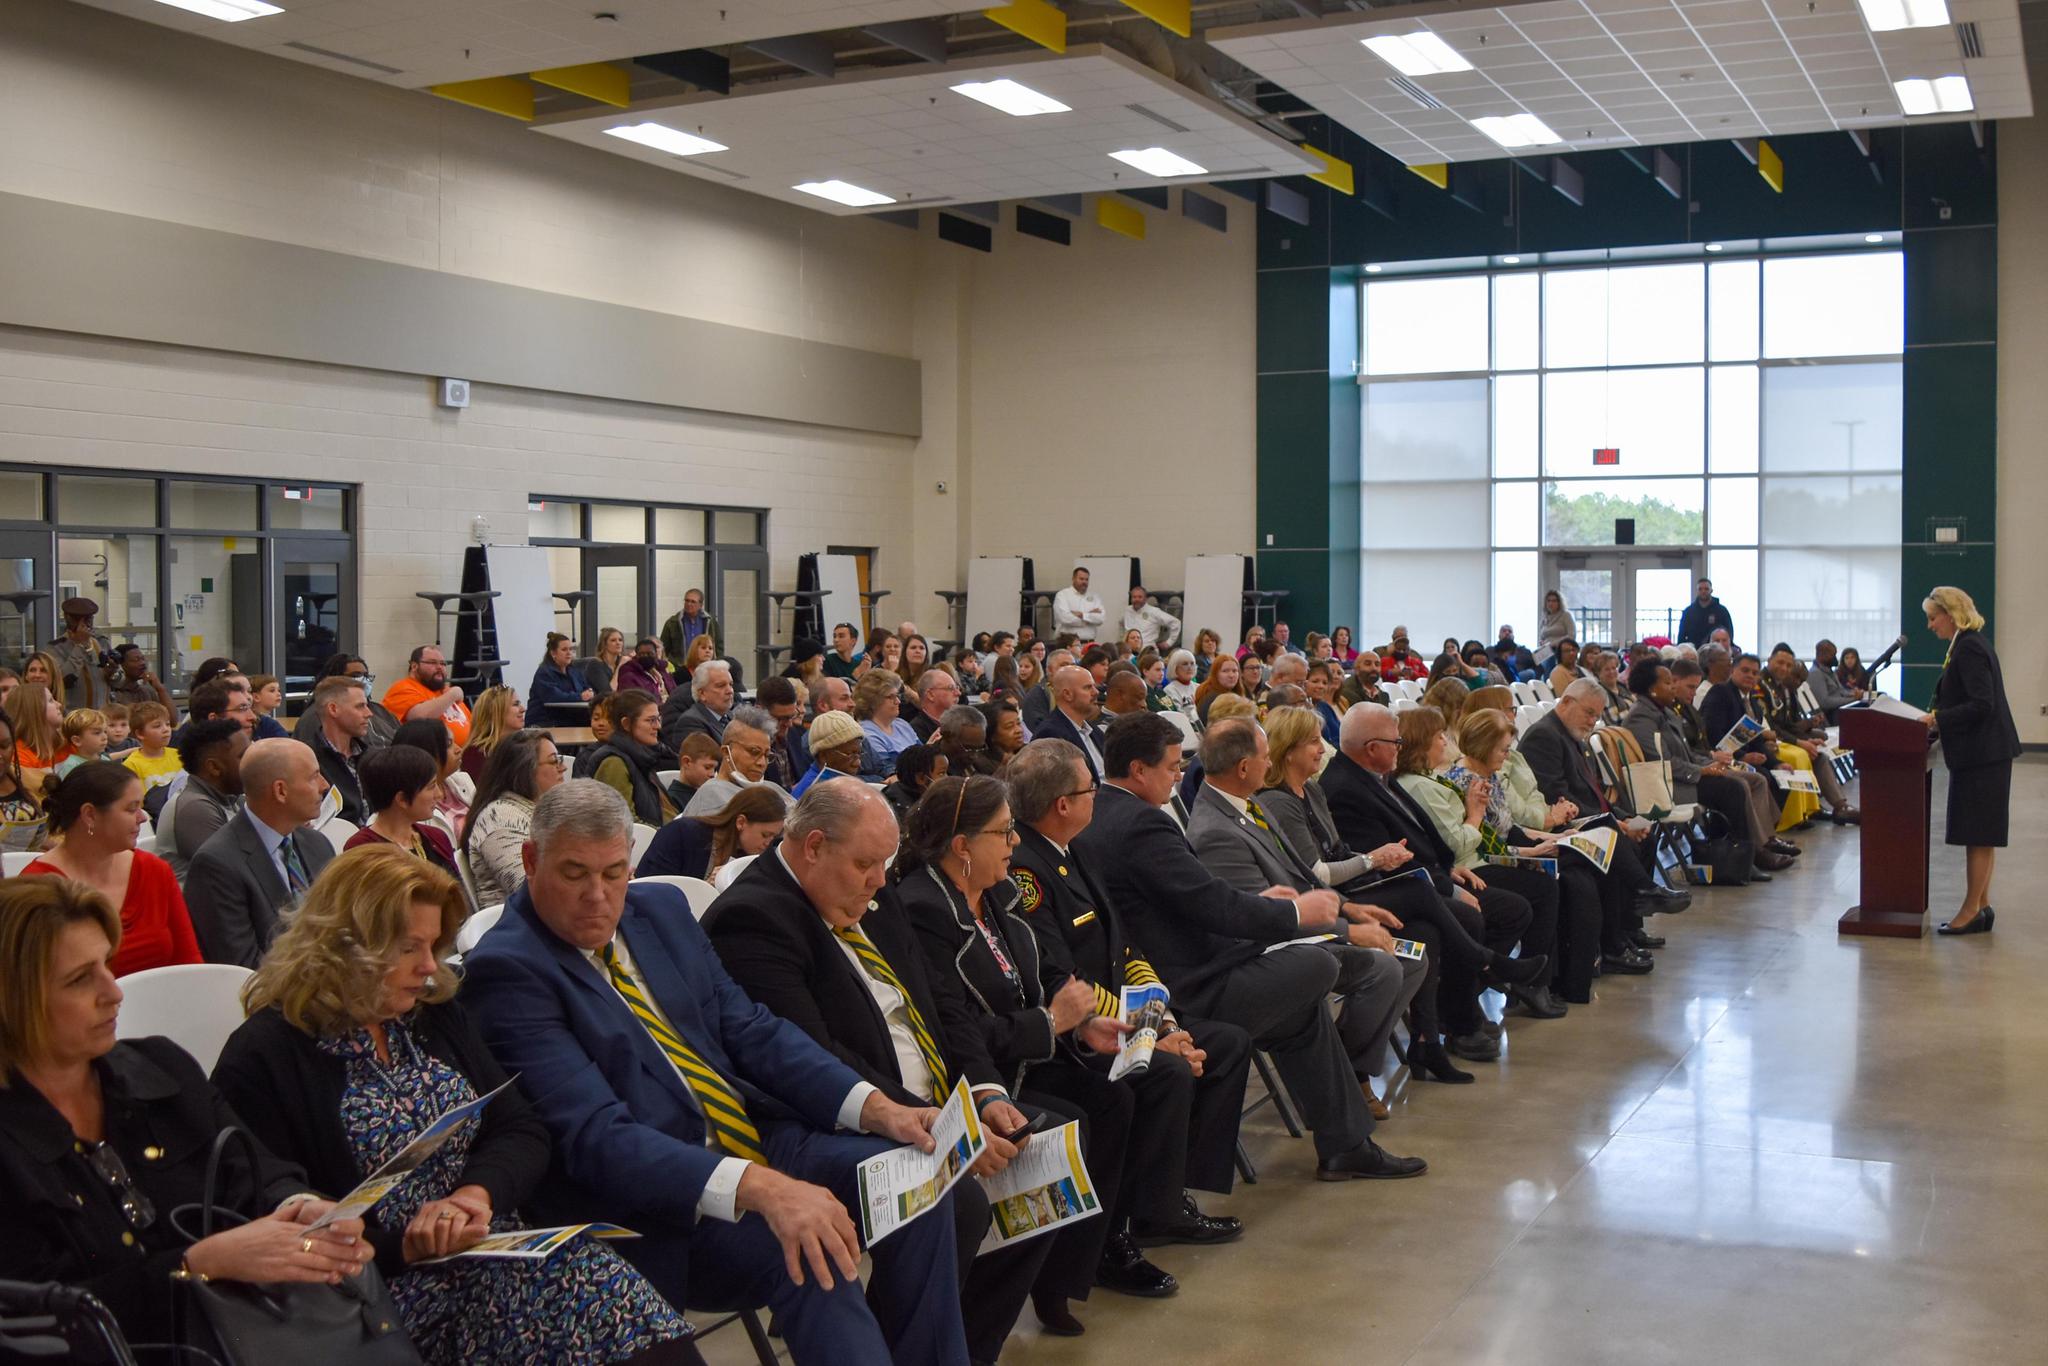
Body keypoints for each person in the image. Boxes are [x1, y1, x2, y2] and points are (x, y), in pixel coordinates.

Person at [460, 780, 971, 1366]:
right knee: (809, 1254)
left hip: (758, 1139)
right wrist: (766, 1189)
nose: (599, 897)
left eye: (614, 873)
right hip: (667, 1200)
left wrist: (878, 1107)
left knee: (920, 1183)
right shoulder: (508, 970)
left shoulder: (661, 911)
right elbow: (599, 1139)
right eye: (575, 874)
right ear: (531, 860)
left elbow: (752, 1030)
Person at [215, 847, 692, 1363]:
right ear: (344, 946)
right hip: (382, 1295)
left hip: (491, 1246)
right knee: (588, 1309)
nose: (427, 967)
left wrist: (476, 1194)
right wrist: (408, 1246)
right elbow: (279, 1218)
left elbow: (520, 1129)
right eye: (408, 948)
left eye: (433, 945)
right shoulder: (265, 1056)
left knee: (619, 1302)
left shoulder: (429, 1013)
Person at [699, 781, 1053, 1359]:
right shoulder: (753, 918)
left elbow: (941, 1002)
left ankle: (962, 1344)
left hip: (932, 1098)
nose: (879, 879)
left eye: (884, 863)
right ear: (813, 846)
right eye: (866, 863)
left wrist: (985, 1092)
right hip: (831, 1120)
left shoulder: (872, 893)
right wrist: (946, 1127)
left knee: (1036, 1156)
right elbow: (817, 1059)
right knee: (954, 1197)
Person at [0, 878, 376, 1352]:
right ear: (11, 1001)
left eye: (106, 966)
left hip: (244, 1336)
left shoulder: (160, 1068)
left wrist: (298, 1208)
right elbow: (35, 1324)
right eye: (79, 979)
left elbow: (258, 1172)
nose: (112, 992)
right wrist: (199, 1263)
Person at [1076, 712, 1426, 1181]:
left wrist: (1261, 904)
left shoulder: (1112, 812)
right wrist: (1294, 914)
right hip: (1187, 984)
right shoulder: (1141, 823)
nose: (1181, 776)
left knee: (1300, 1010)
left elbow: (1193, 896)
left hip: (1178, 963)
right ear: (1138, 770)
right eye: (1172, 767)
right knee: (1316, 965)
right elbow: (1207, 903)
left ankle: (1347, 1144)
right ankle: (1347, 1141)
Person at [897, 774, 1185, 1330]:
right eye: (1003, 833)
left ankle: (1068, 1275)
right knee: (1069, 1121)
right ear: (962, 846)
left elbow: (1041, 977)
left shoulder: (999, 894)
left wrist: (1081, 1028)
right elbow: (956, 1030)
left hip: (1029, 1055)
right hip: (978, 1074)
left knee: (1114, 1098)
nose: (1012, 843)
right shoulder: (925, 910)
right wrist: (1052, 1023)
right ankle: (1004, 1300)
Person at [1003, 740, 1250, 1233]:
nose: (1099, 796)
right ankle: (1148, 1214)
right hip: (1078, 1033)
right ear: (1063, 804)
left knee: (1226, 1044)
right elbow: (1061, 979)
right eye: (1090, 789)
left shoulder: (1075, 849)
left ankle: (1172, 1188)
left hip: (1126, 1011)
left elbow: (1128, 950)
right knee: (1169, 1071)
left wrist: (1164, 1021)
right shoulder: (1027, 871)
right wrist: (1149, 1034)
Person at [1186, 719, 1434, 1095]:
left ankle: (1349, 1067)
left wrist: (1351, 909)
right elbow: (1263, 921)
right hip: (1279, 947)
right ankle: (1344, 1080)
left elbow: (1304, 875)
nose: (1268, 766)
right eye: (1264, 758)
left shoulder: (1250, 805)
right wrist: (1348, 931)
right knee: (1385, 966)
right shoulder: (1216, 831)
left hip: (1310, 924)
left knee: (1414, 957)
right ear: (1243, 768)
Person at [23, 762, 198, 976]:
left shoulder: (154, 870)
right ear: (90, 815)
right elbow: (32, 986)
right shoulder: (39, 887)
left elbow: (190, 962)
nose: (142, 817)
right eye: (131, 808)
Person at [1623, 659, 1791, 876]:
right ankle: (1744, 860)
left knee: (1752, 778)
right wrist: (1702, 771)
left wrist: (1710, 764)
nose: (1672, 687)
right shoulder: (1641, 717)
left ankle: (1758, 847)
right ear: (1651, 688)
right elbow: (1661, 762)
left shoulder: (1664, 712)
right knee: (1732, 787)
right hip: (1666, 786)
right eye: (1667, 683)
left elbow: (1688, 754)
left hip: (1683, 776)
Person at [182, 738, 335, 967]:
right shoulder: (217, 864)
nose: (324, 785)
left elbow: (340, 929)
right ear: (280, 791)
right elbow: (241, 966)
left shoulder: (317, 844)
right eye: (314, 777)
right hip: (272, 995)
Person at [1923, 585, 2020, 935]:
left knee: (1977, 834)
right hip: (1986, 754)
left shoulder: (1968, 649)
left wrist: (1937, 719)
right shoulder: (1969, 644)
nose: (1931, 626)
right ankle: (1981, 905)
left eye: (1934, 619)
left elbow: (1983, 704)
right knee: (1981, 835)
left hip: (1983, 756)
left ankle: (1970, 911)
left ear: (1951, 615)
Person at [461, 729, 567, 906]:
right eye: (554, 761)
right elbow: (529, 890)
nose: (563, 768)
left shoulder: (542, 811)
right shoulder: (499, 819)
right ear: (526, 770)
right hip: (517, 926)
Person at [346, 744, 463, 883]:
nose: (438, 795)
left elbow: (459, 897)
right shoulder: (363, 849)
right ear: (402, 799)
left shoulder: (436, 837)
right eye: (431, 787)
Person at [163, 718, 249, 881]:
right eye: (243, 756)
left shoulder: (234, 798)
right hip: (197, 903)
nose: (252, 761)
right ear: (214, 767)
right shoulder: (195, 808)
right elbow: (237, 869)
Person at [586, 689, 678, 826]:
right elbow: (623, 824)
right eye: (651, 720)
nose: (658, 726)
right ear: (626, 724)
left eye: (658, 719)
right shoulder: (613, 763)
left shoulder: (642, 757)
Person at [684, 705, 792, 818]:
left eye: (766, 755)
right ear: (726, 751)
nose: (762, 763)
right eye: (754, 752)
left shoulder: (771, 788)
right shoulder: (711, 798)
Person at [300, 653, 401, 748]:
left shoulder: (379, 710)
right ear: (336, 677)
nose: (363, 680)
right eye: (356, 675)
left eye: (366, 676)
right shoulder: (318, 715)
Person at [384, 646, 472, 747]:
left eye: (443, 663)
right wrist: (453, 694)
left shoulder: (445, 692)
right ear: (414, 666)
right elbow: (420, 718)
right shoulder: (403, 687)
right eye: (432, 662)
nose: (439, 667)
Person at [854, 670, 921, 780]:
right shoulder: (866, 732)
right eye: (891, 697)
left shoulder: (902, 724)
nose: (898, 701)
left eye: (898, 695)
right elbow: (887, 769)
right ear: (873, 701)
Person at [661, 658, 734, 752]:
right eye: (721, 686)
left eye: (731, 684)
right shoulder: (690, 723)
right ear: (702, 694)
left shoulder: (731, 716)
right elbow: (709, 761)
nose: (730, 691)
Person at [790, 709, 864, 798]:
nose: (858, 763)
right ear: (823, 756)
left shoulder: (833, 783)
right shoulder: (816, 794)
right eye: (849, 754)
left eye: (859, 753)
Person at [459, 684, 524, 781]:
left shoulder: (521, 747)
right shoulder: (476, 755)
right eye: (515, 704)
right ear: (496, 711)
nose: (523, 709)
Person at [8, 681, 69, 780]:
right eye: (50, 700)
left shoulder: (66, 742)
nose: (59, 704)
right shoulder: (18, 756)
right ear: (33, 710)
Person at [530, 631, 596, 723]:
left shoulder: (574, 671)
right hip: (547, 721)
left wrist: (590, 692)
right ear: (553, 653)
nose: (569, 653)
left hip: (569, 718)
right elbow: (554, 696)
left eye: (571, 649)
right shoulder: (544, 672)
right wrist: (580, 696)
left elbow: (586, 687)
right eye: (564, 650)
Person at [120, 700, 182, 794]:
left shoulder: (179, 755)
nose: (166, 729)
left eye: (167, 724)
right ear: (140, 733)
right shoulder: (132, 765)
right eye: (157, 726)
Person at [104, 642, 174, 717]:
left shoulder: (148, 692)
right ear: (121, 665)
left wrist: (160, 689)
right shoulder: (111, 694)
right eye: (136, 660)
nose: (143, 663)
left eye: (143, 659)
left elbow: (172, 721)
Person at [659, 587, 721, 665]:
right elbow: (664, 647)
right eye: (687, 601)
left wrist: (716, 663)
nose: (689, 604)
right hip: (680, 668)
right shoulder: (672, 623)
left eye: (693, 602)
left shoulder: (710, 622)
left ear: (700, 605)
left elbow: (718, 647)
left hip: (705, 667)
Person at [908, 668, 963, 743]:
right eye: (951, 688)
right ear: (931, 695)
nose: (958, 693)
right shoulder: (915, 732)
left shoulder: (960, 723)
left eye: (957, 688)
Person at [1051, 566, 1105, 642]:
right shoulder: (1062, 595)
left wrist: (1082, 615)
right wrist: (1089, 618)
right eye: (1081, 579)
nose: (1084, 582)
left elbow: (1100, 618)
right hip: (1067, 642)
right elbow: (1064, 618)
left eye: (1086, 579)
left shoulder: (1095, 597)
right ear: (1073, 579)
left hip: (1089, 642)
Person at [53, 707, 110, 778]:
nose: (105, 737)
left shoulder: (106, 761)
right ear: (77, 740)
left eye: (105, 731)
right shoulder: (71, 766)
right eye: (97, 733)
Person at [1191, 653, 1246, 727]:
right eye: (1225, 671)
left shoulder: (1221, 693)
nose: (1231, 675)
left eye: (1234, 671)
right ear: (1215, 674)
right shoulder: (1214, 697)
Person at [1677, 577, 1734, 648]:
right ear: (1697, 591)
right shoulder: (1689, 611)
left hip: (1716, 651)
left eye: (1706, 589)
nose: (1703, 591)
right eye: (1700, 589)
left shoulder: (1721, 610)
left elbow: (1729, 632)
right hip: (1694, 652)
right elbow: (1682, 634)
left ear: (1711, 590)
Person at [1122, 586, 1180, 651]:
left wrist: (1169, 642)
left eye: (1140, 597)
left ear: (1145, 599)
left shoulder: (1154, 611)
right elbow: (1122, 625)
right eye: (1134, 597)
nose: (1137, 599)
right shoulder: (1127, 610)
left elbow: (1176, 622)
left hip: (1148, 652)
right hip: (1129, 652)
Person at [620, 636, 678, 700]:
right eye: (641, 654)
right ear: (636, 655)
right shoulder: (628, 677)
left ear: (656, 654)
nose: (645, 656)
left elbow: (676, 694)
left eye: (650, 653)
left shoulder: (664, 672)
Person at [584, 626, 627, 699]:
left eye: (620, 640)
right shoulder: (595, 664)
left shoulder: (622, 661)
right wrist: (620, 666)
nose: (618, 643)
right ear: (605, 644)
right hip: (603, 706)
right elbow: (608, 693)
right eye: (613, 640)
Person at [243, 673, 289, 739]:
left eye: (279, 690)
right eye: (272, 690)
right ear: (256, 697)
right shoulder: (267, 725)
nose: (278, 694)